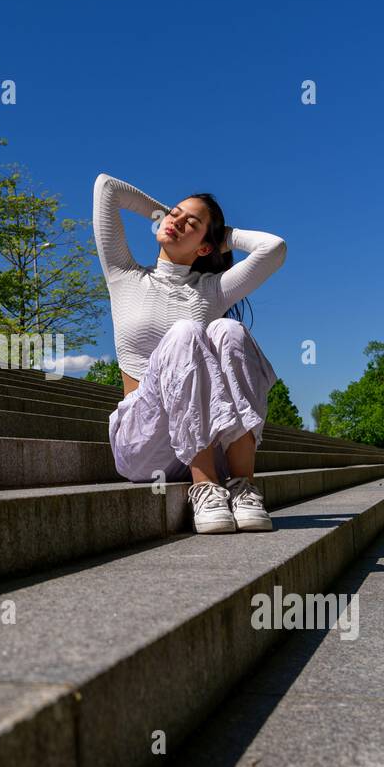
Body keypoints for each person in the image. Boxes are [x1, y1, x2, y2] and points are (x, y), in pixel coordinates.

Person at [93, 172, 287, 534]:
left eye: (190, 223)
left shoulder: (212, 290)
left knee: (228, 330)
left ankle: (243, 489)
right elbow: (107, 187)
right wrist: (171, 215)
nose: (176, 221)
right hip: (143, 443)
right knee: (186, 331)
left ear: (205, 248)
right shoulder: (124, 275)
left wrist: (222, 235)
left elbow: (274, 248)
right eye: (174, 214)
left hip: (210, 441)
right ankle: (205, 488)